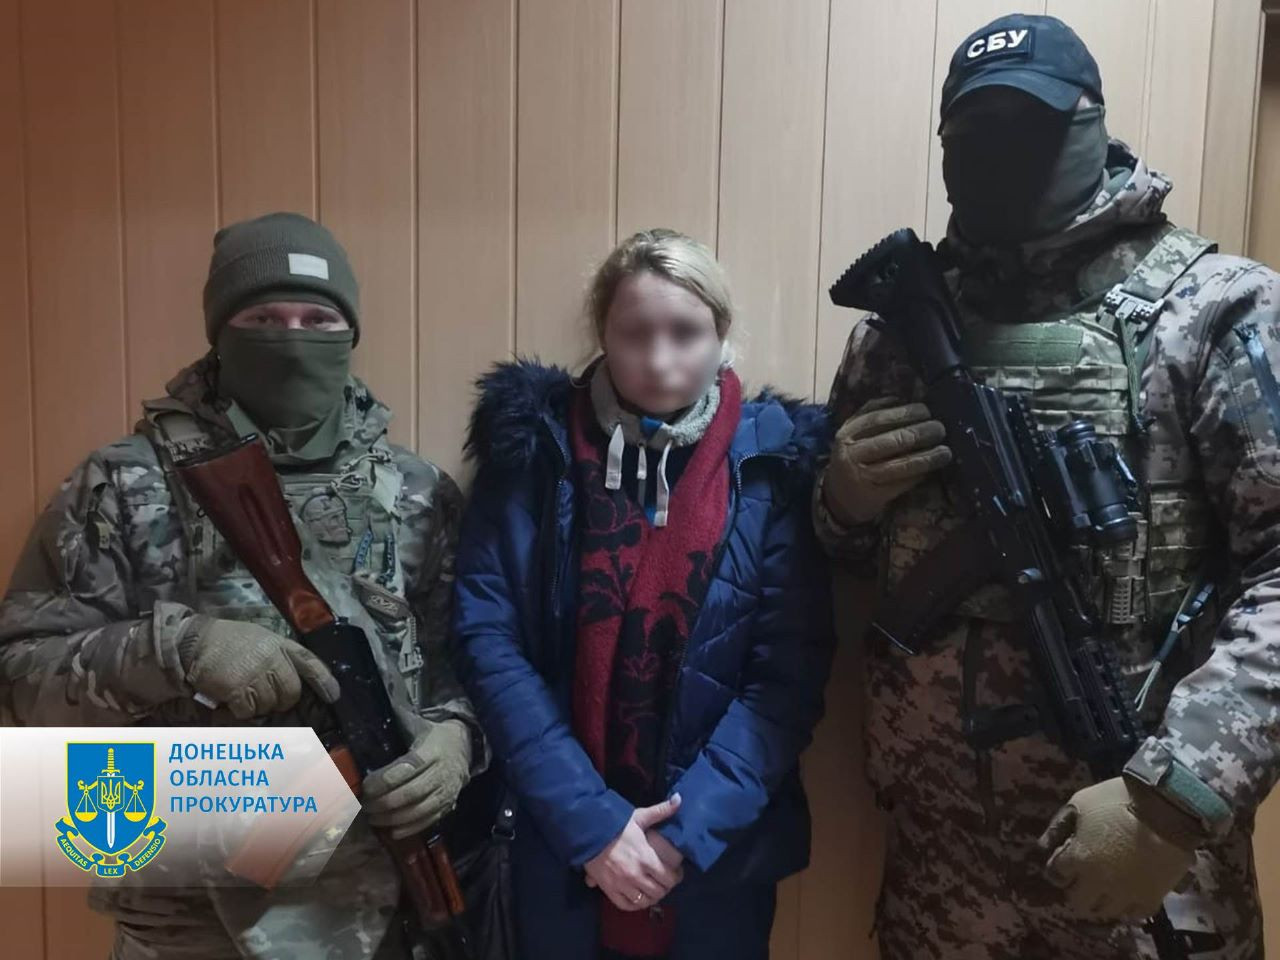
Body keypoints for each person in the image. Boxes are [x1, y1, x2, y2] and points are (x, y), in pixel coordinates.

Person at [815, 14, 1278, 959]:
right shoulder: (897, 331)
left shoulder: (1218, 308)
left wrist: (1175, 792)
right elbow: (851, 561)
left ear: (1091, 124)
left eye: (1029, 126)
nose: (999, 153)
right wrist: (840, 505)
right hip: (939, 876)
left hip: (1143, 855)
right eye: (974, 132)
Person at [0, 212, 485, 959]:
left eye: (318, 319)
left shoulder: (417, 493)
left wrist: (456, 738)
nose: (292, 337)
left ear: (350, 333)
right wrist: (180, 650)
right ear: (219, 333)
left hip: (376, 913)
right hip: (184, 921)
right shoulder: (123, 484)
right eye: (263, 318)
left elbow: (463, 662)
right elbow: (19, 683)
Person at [452, 229, 835, 959]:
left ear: (721, 334)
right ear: (603, 333)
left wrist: (680, 838)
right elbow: (487, 640)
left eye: (685, 333)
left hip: (718, 857)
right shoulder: (533, 450)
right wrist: (592, 825)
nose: (660, 361)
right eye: (635, 334)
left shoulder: (774, 463)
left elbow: (787, 675)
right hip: (555, 842)